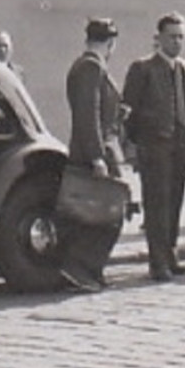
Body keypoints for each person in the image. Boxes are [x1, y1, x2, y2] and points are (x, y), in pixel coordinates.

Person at [123, 12, 185, 282]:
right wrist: (134, 144)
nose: (177, 42)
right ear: (159, 38)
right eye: (172, 36)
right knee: (158, 204)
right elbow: (130, 110)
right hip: (154, 145)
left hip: (180, 143)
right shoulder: (143, 68)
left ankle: (171, 253)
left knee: (176, 200)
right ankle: (158, 261)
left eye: (181, 37)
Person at [61, 17, 126, 292]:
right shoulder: (91, 67)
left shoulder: (88, 66)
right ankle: (81, 268)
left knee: (100, 212)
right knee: (106, 214)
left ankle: (91, 270)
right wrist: (98, 157)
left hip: (97, 149)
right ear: (111, 43)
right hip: (95, 153)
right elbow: (88, 115)